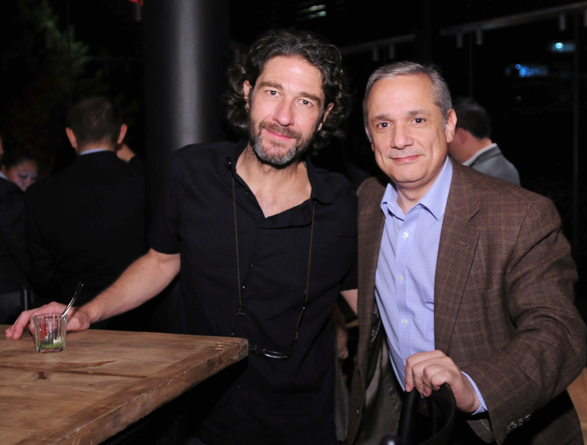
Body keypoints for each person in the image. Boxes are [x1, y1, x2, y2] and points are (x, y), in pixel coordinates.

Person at [8, 29, 358, 445]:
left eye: (305, 101)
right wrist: (86, 313)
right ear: (248, 93)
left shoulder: (343, 203)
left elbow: (370, 302)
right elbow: (161, 260)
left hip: (300, 428)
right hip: (203, 419)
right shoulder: (192, 171)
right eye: (272, 92)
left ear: (324, 115)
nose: (284, 116)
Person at [348, 62, 587, 445]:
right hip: (410, 422)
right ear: (368, 135)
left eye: (417, 120)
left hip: (503, 427)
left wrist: (474, 388)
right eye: (383, 124)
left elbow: (558, 331)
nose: (399, 139)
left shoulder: (520, 215)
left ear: (448, 125)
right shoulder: (366, 202)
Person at [22, 97, 147, 316]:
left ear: (71, 136)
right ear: (121, 134)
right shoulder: (144, 182)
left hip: (73, 314)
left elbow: (42, 275)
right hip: (141, 314)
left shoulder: (39, 193)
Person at [447, 97, 520, 185]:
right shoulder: (498, 168)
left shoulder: (491, 174)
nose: (446, 141)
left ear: (461, 135)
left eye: (447, 133)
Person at [0, 145, 36, 316]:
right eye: (22, 176)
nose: (28, 183)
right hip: (8, 291)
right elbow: (20, 245)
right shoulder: (8, 194)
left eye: (33, 178)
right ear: (4, 169)